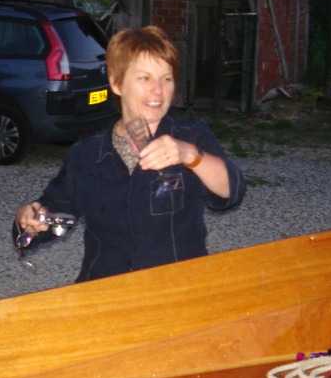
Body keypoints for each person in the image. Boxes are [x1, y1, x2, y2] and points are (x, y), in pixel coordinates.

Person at [15, 25, 245, 282]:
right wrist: (31, 222)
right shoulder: (89, 153)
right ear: (116, 82)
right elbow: (59, 217)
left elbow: (231, 192)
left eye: (166, 79)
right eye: (145, 78)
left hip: (177, 292)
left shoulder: (191, 138)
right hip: (107, 293)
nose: (158, 90)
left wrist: (190, 155)